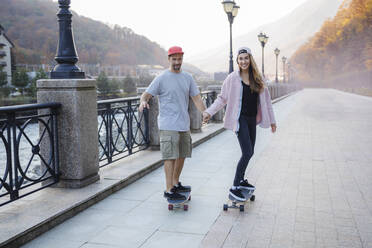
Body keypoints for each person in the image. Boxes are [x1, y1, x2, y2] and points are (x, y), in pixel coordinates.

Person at [202, 47, 277, 201]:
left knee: (250, 152)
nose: (243, 61)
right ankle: (235, 185)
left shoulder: (258, 78)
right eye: (240, 58)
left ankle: (241, 180)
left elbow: (267, 102)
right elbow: (222, 98)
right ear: (237, 61)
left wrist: (273, 121)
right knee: (247, 152)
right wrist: (209, 112)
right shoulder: (232, 78)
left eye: (246, 58)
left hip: (252, 119)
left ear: (250, 59)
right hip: (239, 120)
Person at [139, 46, 206, 201]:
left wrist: (205, 112)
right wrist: (143, 102)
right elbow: (146, 95)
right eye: (174, 59)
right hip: (168, 123)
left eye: (179, 59)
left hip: (183, 123)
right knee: (170, 156)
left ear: (182, 59)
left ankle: (175, 183)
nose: (177, 62)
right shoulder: (161, 78)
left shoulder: (188, 78)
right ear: (169, 59)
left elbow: (196, 98)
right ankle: (169, 189)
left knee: (182, 154)